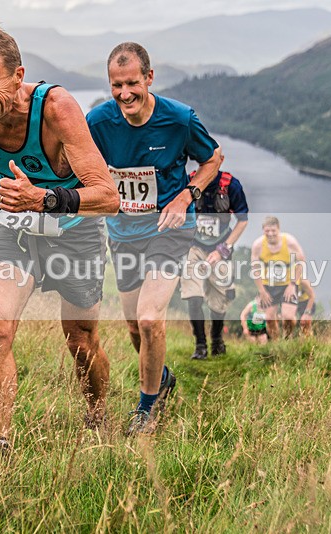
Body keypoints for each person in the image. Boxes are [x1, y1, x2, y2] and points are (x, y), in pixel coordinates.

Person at [0, 21, 120, 480]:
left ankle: (98, 415)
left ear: (18, 75)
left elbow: (108, 195)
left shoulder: (57, 109)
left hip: (75, 230)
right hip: (18, 230)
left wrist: (43, 199)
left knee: (80, 341)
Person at [86, 42, 222, 435]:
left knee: (150, 319)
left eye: (131, 83)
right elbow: (79, 166)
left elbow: (212, 158)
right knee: (134, 328)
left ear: (149, 78)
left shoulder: (179, 119)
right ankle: (160, 377)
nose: (124, 93)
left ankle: (146, 410)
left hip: (170, 229)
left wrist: (186, 195)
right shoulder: (97, 122)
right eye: (116, 85)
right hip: (124, 233)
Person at [180, 162, 249, 360]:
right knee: (193, 295)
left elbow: (243, 220)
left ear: (219, 161)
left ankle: (217, 340)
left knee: (220, 301)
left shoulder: (231, 186)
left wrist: (223, 250)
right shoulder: (188, 182)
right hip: (194, 247)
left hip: (221, 248)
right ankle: (200, 345)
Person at [249, 216, 306, 340]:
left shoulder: (289, 241)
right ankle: (276, 344)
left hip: (288, 284)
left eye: (273, 231)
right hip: (268, 285)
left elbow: (301, 261)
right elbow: (255, 269)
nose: (270, 234)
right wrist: (262, 291)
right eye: (267, 231)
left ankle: (288, 337)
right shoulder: (258, 245)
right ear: (263, 230)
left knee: (288, 317)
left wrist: (292, 284)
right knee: (269, 318)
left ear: (278, 229)